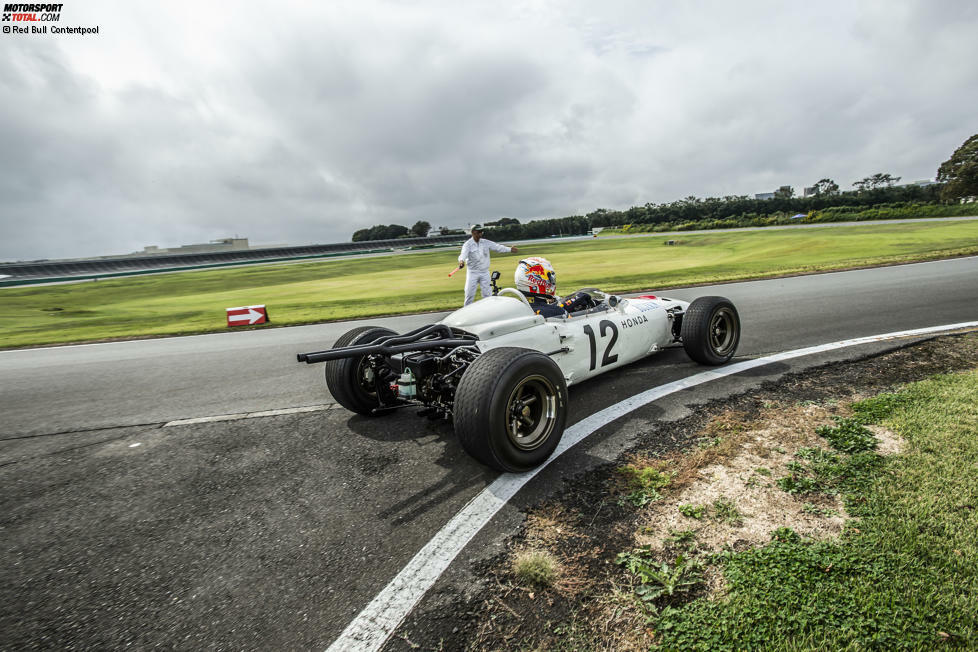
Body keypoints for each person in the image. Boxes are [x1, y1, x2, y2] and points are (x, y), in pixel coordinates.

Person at [457, 225, 518, 306]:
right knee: (469, 294)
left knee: (487, 295)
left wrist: (510, 249)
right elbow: (463, 254)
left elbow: (498, 247)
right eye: (478, 232)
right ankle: (465, 311)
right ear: (473, 233)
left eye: (481, 232)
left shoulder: (485, 242)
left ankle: (488, 310)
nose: (480, 233)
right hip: (472, 273)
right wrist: (461, 261)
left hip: (484, 272)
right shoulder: (467, 244)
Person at [514, 256, 592, 318]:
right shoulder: (556, 312)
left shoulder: (517, 308)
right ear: (538, 279)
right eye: (550, 276)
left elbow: (543, 307)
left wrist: (569, 302)